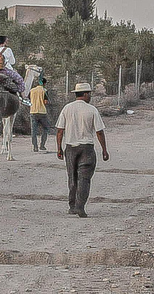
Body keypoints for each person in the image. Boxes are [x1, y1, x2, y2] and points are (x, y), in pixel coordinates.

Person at [55, 82, 110, 218]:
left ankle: (72, 205)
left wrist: (59, 148)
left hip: (70, 148)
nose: (90, 96)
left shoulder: (66, 108)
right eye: (89, 94)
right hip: (86, 148)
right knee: (84, 178)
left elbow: (60, 131)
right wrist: (104, 149)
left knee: (72, 177)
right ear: (85, 94)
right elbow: (99, 132)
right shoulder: (92, 110)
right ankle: (80, 206)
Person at [0, 35, 28, 104]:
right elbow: (13, 62)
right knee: (20, 80)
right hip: (6, 71)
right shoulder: (8, 50)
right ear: (5, 42)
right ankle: (24, 98)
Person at [29, 77, 50, 152]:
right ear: (44, 83)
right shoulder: (45, 91)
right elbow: (45, 102)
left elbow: (29, 100)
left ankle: (35, 146)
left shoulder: (32, 90)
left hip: (33, 111)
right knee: (46, 128)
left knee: (33, 131)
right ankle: (42, 145)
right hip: (42, 112)